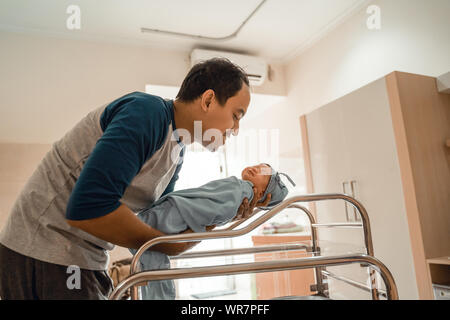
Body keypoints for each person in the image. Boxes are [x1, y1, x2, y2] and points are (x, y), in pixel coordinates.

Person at [0, 58, 267, 300]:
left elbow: (161, 224)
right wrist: (164, 244)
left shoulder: (176, 151)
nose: (236, 129)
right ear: (208, 100)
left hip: (82, 258)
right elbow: (87, 208)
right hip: (43, 249)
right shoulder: (146, 114)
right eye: (236, 115)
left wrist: (221, 217)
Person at [130, 163, 295, 300]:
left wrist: (210, 223)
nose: (256, 168)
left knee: (156, 270)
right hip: (171, 214)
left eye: (264, 174)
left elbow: (215, 210)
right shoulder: (238, 189)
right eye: (259, 165)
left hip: (171, 214)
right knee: (157, 272)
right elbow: (212, 208)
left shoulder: (244, 191)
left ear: (261, 195)